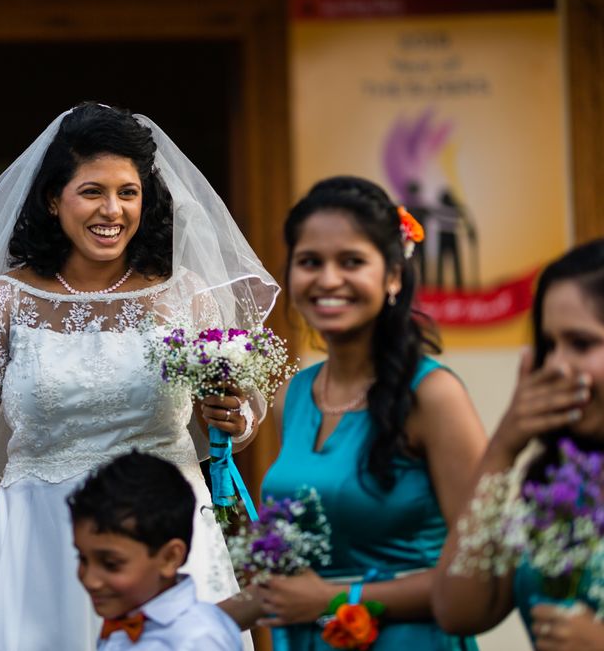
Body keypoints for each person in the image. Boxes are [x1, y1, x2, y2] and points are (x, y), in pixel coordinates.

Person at [0, 102, 279, 651]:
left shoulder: (185, 296)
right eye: (92, 191)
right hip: (36, 543)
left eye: (128, 192)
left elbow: (229, 427)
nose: (113, 210)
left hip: (164, 539)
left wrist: (233, 415)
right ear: (54, 200)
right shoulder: (4, 302)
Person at [226, 176, 487, 649]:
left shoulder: (432, 395)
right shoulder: (295, 395)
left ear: (392, 276)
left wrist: (334, 599)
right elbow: (294, 579)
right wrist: (185, 620)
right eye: (310, 262)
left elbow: (479, 571)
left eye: (351, 262)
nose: (327, 279)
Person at [432, 239, 604, 651]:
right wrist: (503, 449)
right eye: (549, 346)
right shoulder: (562, 484)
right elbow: (460, 609)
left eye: (581, 344)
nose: (557, 367)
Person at [68, 451, 242, 650]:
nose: (90, 580)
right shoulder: (127, 615)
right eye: (82, 559)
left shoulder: (197, 640)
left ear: (169, 558)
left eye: (111, 564)